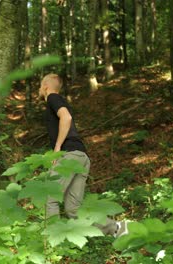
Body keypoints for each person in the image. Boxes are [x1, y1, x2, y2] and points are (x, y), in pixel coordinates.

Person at [38, 73, 128, 237]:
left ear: (45, 87)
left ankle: (50, 245)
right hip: (81, 156)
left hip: (69, 155)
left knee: (49, 197)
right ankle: (116, 228)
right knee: (73, 208)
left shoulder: (52, 97)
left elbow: (66, 117)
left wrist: (57, 148)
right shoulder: (59, 101)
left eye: (39, 86)